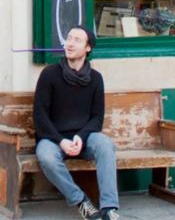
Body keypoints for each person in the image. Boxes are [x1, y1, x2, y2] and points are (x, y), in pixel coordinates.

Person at [33, 26, 119, 220]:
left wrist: (81, 136)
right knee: (46, 156)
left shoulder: (96, 79)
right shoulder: (49, 74)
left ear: (88, 48)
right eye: (68, 38)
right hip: (53, 139)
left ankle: (109, 208)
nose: (69, 43)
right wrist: (60, 140)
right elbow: (39, 115)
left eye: (77, 40)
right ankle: (81, 202)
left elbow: (97, 118)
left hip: (84, 139)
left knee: (105, 144)